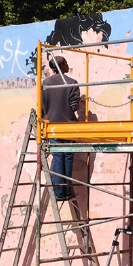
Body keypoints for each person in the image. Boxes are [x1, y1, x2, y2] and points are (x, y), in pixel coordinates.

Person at [40, 55, 80, 201]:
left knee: (58, 157)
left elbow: (42, 107)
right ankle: (66, 191)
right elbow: (74, 106)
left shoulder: (45, 84)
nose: (68, 65)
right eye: (66, 63)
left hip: (52, 126)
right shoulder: (72, 83)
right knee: (68, 157)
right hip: (68, 126)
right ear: (62, 66)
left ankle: (59, 193)